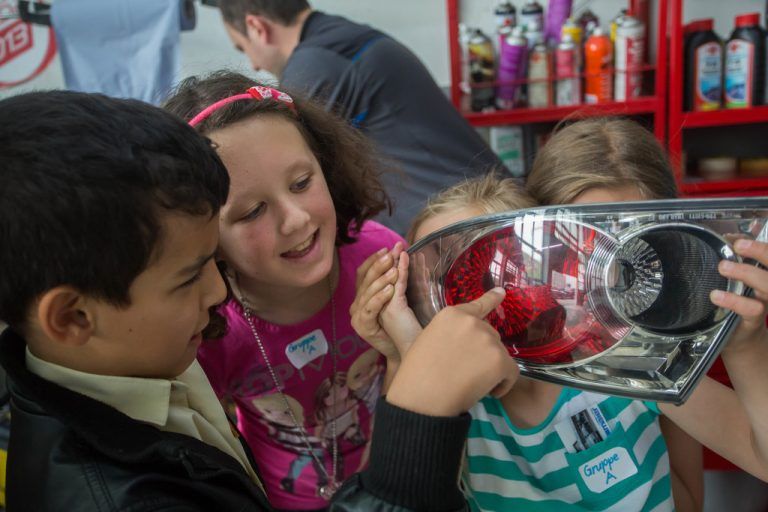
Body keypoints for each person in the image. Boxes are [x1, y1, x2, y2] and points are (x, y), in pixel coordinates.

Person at [0, 89, 519, 511]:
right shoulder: (127, 491)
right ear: (72, 317)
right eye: (189, 275)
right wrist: (419, 412)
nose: (217, 292)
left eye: (301, 181)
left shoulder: (144, 360)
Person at [353, 119, 768, 510]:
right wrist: (403, 355)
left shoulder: (630, 364)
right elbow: (398, 489)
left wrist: (749, 347)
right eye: (440, 294)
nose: (467, 313)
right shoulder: (459, 409)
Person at [164, 70, 412, 509]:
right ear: (202, 236)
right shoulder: (206, 328)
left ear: (326, 165)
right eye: (252, 210)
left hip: (399, 480)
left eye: (301, 183)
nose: (295, 219)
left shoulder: (381, 257)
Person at [214, 0, 508, 234]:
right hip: (487, 205)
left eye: (243, 48)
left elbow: (276, 162)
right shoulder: (345, 38)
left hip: (467, 225)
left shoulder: (317, 63)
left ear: (256, 27)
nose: (254, 63)